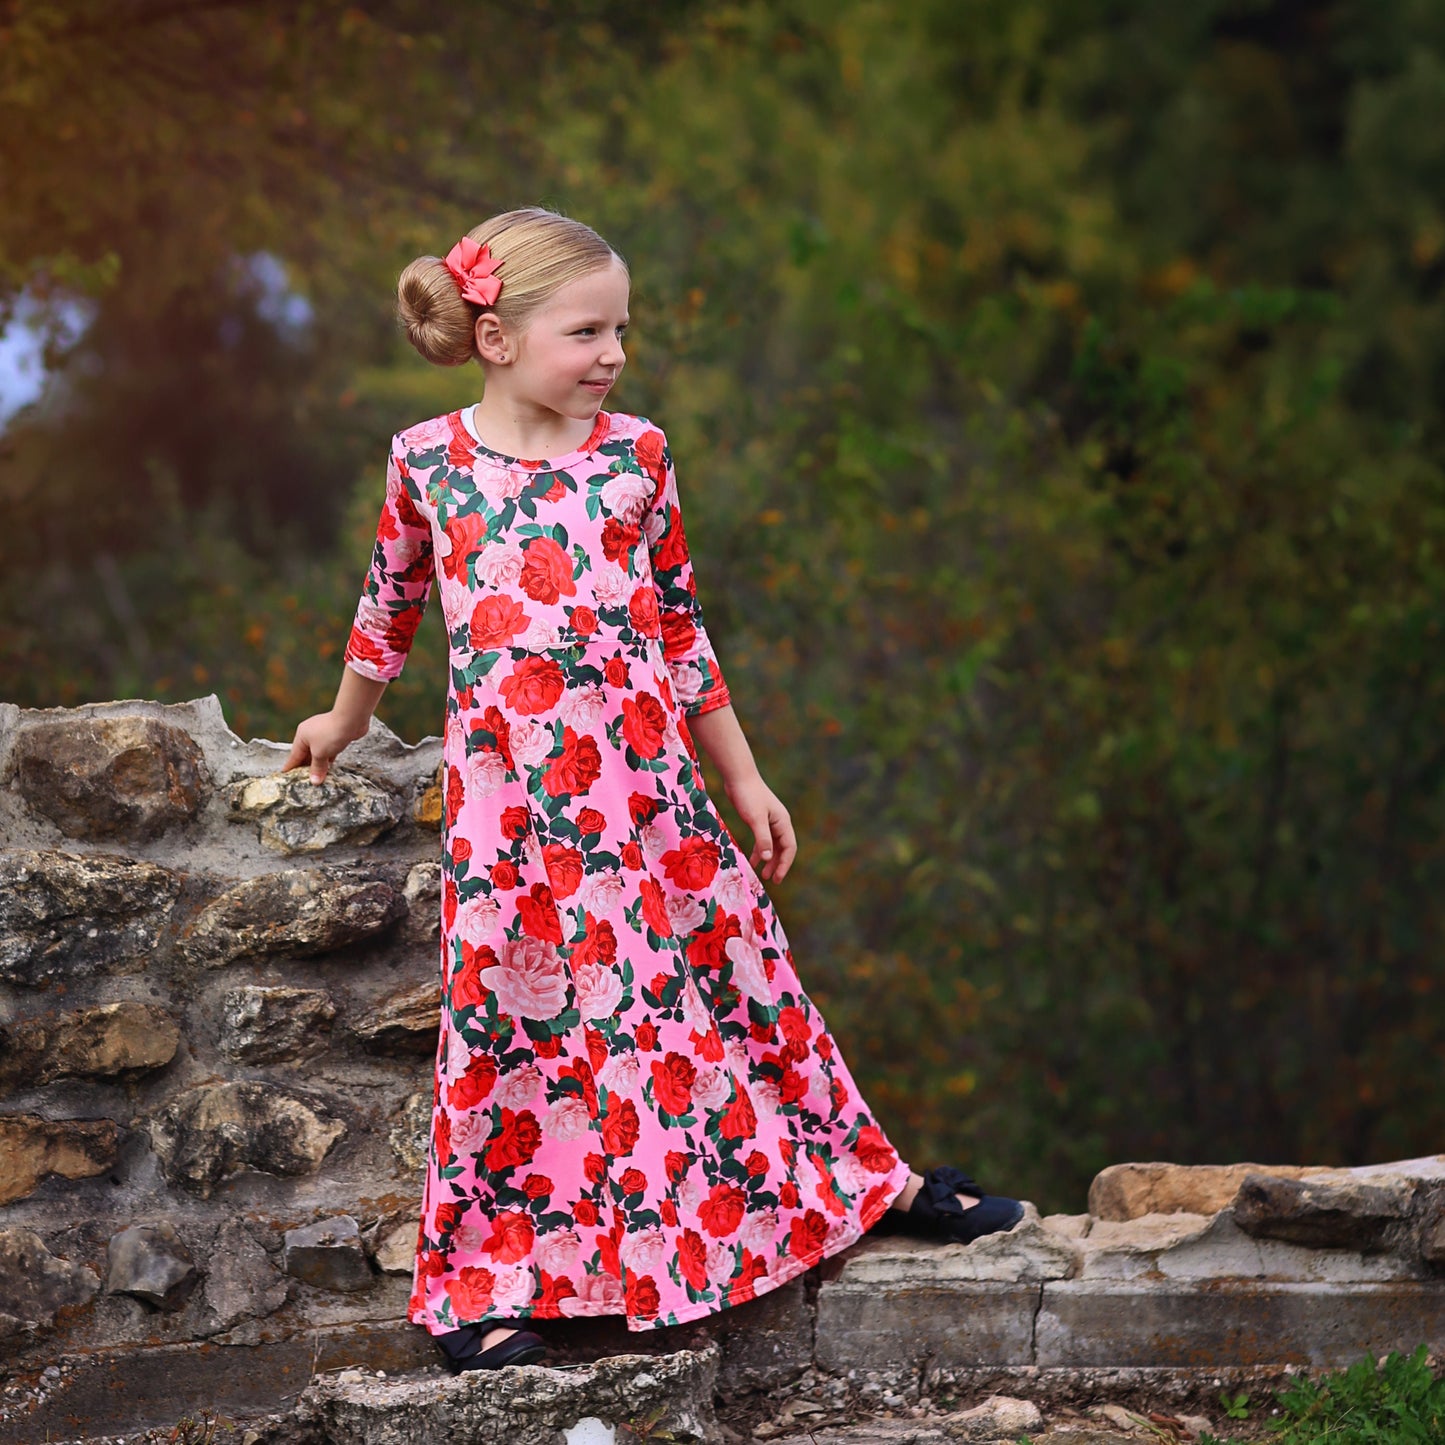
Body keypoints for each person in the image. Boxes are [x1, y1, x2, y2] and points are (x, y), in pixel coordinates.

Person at [284, 206, 1023, 1375]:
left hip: (645, 798)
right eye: (586, 331)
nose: (613, 352)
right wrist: (342, 720)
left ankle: (855, 1188)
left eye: (621, 327)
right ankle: (483, 1291)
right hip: (515, 817)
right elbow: (388, 607)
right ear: (496, 338)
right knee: (515, 1039)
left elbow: (678, 627)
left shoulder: (636, 456)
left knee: (738, 985)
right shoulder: (427, 461)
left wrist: (743, 774)